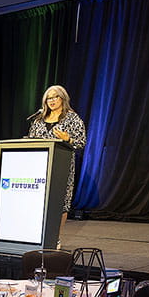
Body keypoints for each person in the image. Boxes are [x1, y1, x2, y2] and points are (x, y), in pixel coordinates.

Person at [28, 85, 86, 248]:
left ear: (63, 99)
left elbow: (82, 142)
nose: (52, 100)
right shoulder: (38, 119)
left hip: (62, 167)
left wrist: (68, 139)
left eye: (55, 97)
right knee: (39, 201)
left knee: (60, 202)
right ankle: (35, 235)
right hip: (38, 167)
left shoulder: (72, 118)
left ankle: (55, 238)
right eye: (49, 98)